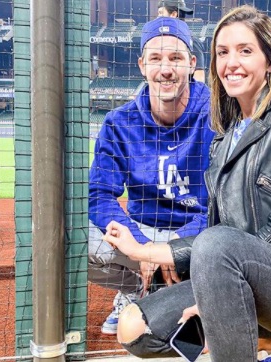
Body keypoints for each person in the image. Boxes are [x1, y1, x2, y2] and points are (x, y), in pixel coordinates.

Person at [102, 5, 271, 362]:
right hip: (236, 272)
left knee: (218, 247)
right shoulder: (223, 139)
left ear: (269, 60)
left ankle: (244, 342)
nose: (231, 62)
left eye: (245, 50)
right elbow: (214, 233)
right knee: (134, 327)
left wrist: (214, 295)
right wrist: (144, 252)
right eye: (222, 52)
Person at [88, 16, 214, 335]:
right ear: (142, 65)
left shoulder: (216, 114)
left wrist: (172, 248)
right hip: (141, 232)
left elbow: (224, 198)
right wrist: (143, 248)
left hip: (197, 234)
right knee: (72, 240)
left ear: (192, 63)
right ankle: (137, 289)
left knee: (230, 235)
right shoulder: (119, 122)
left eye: (175, 58)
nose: (166, 69)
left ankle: (177, 291)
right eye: (156, 59)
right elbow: (100, 196)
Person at [158, 0, 207, 82]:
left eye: (161, 13)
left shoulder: (191, 40)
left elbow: (199, 78)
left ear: (173, 14)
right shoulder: (165, 38)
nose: (158, 17)